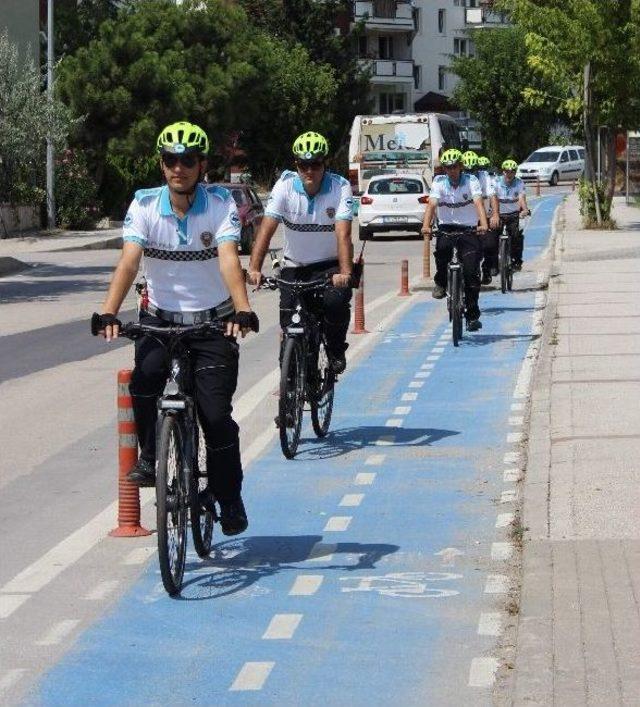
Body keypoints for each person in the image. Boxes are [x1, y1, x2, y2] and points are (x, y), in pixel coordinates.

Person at [93, 120, 258, 536]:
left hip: (212, 322)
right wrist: (109, 311)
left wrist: (242, 309)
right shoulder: (144, 205)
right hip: (160, 318)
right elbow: (130, 261)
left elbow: (226, 259)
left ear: (202, 164)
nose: (178, 168)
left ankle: (229, 494)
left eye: (187, 160)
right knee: (144, 380)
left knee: (217, 417)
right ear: (161, 164)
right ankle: (151, 455)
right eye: (171, 160)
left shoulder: (220, 204)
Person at [247, 131, 354, 374]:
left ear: (324, 164)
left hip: (329, 267)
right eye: (304, 165)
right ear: (296, 165)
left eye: (315, 164)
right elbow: (266, 229)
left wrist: (345, 272)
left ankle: (336, 348)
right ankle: (289, 399)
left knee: (335, 301)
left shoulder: (340, 187)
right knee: (289, 327)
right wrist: (254, 268)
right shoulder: (284, 186)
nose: (310, 171)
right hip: (294, 266)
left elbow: (343, 235)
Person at [420, 148, 489, 332]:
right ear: (444, 168)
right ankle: (441, 283)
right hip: (446, 228)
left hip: (468, 230)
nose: (451, 170)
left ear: (461, 166)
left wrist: (483, 224)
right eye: (448, 167)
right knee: (442, 254)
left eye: (455, 167)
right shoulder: (439, 182)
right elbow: (432, 205)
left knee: (471, 273)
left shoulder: (471, 181)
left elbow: (478, 203)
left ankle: (472, 315)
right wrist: (426, 227)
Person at [489, 159, 530, 271]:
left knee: (517, 236)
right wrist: (495, 214)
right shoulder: (495, 182)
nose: (509, 174)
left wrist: (525, 210)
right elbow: (493, 198)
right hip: (499, 214)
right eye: (507, 171)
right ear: (503, 171)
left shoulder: (519, 183)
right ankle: (493, 265)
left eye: (512, 171)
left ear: (515, 173)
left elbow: (521, 198)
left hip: (513, 215)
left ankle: (517, 261)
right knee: (491, 239)